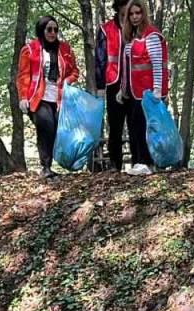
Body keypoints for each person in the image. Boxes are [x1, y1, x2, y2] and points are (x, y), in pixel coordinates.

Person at [17, 16, 80, 180]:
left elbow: (75, 72)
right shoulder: (30, 49)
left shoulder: (65, 49)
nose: (53, 33)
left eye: (55, 30)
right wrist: (23, 97)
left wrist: (67, 80)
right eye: (49, 29)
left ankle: (59, 163)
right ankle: (45, 167)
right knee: (46, 127)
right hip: (38, 97)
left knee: (58, 129)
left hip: (59, 97)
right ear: (42, 30)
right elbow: (23, 75)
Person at [117, 0, 168, 176]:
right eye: (131, 14)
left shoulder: (151, 35)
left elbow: (157, 64)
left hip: (147, 92)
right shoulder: (131, 38)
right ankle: (141, 161)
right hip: (134, 91)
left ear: (144, 14)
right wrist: (122, 90)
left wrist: (157, 90)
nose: (135, 17)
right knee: (135, 125)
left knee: (145, 126)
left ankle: (146, 161)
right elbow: (128, 67)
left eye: (138, 13)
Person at [95, 0, 131, 172]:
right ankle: (115, 165)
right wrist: (100, 86)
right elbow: (100, 59)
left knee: (136, 123)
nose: (126, 18)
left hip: (134, 83)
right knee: (115, 126)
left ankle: (140, 161)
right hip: (113, 82)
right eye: (123, 14)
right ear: (117, 10)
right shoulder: (105, 29)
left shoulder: (138, 27)